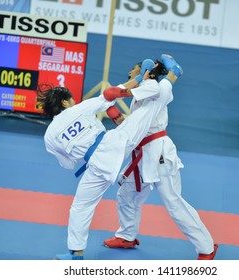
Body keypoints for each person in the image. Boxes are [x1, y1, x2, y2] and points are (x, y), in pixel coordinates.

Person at [37, 57, 180, 260]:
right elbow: (109, 95)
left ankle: (75, 253)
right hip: (114, 143)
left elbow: (68, 165)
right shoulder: (78, 109)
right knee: (148, 110)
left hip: (95, 166)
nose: (74, 102)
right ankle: (171, 75)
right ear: (64, 102)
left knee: (80, 207)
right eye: (71, 99)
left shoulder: (49, 137)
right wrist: (139, 78)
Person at [103, 54, 218, 260]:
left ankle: (206, 247)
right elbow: (135, 128)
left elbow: (159, 82)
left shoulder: (156, 89)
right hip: (142, 155)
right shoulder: (142, 95)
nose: (130, 72)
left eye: (134, 70)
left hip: (159, 154)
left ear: (146, 71)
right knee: (126, 195)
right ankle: (127, 235)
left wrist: (171, 70)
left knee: (173, 202)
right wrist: (117, 118)